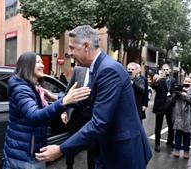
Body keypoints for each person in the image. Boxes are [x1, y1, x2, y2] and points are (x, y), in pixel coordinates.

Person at [35, 25, 152, 169]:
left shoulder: (108, 70)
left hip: (122, 154)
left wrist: (61, 149)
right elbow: (85, 98)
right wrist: (57, 98)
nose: (69, 53)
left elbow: (99, 123)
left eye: (72, 48)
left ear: (86, 46)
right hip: (107, 149)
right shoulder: (98, 67)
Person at [3, 52, 91, 169]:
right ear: (27, 65)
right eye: (38, 62)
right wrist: (63, 102)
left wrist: (62, 100)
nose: (42, 65)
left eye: (42, 62)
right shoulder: (21, 89)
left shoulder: (34, 87)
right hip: (24, 154)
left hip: (31, 149)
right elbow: (35, 116)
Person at [61, 66, 95, 169]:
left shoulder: (101, 70)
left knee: (92, 147)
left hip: (93, 115)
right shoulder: (78, 70)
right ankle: (69, 166)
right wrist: (64, 111)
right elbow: (67, 93)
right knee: (71, 143)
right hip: (77, 113)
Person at [171, 77, 191, 159]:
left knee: (187, 134)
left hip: (188, 115)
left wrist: (186, 95)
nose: (186, 82)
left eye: (188, 81)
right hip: (178, 114)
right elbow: (172, 101)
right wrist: (176, 94)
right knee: (178, 134)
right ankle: (176, 150)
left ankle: (186, 151)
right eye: (185, 81)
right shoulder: (179, 88)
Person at [151, 64, 177, 152]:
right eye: (164, 69)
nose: (166, 71)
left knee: (171, 125)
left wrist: (172, 100)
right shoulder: (159, 79)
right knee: (158, 126)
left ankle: (170, 141)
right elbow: (153, 86)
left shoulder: (173, 80)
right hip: (160, 105)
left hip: (170, 105)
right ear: (162, 70)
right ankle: (157, 144)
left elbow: (175, 91)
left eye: (167, 69)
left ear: (170, 70)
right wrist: (158, 79)